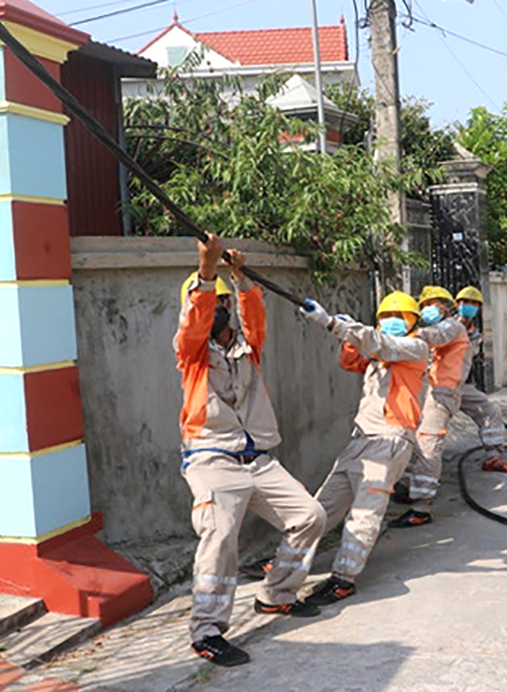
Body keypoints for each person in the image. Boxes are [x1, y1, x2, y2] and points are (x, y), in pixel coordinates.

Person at [176, 236, 326, 667]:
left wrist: (241, 280)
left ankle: (276, 593)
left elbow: (254, 319)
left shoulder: (247, 349)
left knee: (309, 517)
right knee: (220, 535)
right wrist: (206, 274)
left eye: (222, 301)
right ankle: (206, 630)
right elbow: (193, 323)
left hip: (258, 459)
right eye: (211, 302)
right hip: (211, 458)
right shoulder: (191, 354)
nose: (217, 307)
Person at [299, 291, 430, 604]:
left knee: (364, 514)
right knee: (321, 507)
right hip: (361, 439)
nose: (393, 322)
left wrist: (333, 323)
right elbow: (351, 360)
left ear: (413, 321)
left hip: (390, 440)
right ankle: (287, 560)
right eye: (386, 316)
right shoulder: (378, 354)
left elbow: (381, 343)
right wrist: (349, 338)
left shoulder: (415, 347)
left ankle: (344, 578)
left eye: (401, 317)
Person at [389, 286, 469, 528]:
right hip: (431, 392)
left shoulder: (452, 326)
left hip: (442, 393)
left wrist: (401, 329)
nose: (428, 309)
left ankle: (421, 508)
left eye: (433, 304)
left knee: (428, 444)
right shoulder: (441, 328)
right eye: (424, 305)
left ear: (445, 306)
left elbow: (432, 337)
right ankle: (412, 490)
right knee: (414, 442)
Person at [455, 286, 507, 474]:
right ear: (457, 304)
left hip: (461, 385)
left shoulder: (475, 333)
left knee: (490, 411)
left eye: (473, 304)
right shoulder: (446, 327)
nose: (468, 307)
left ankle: (493, 456)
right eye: (465, 302)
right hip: (437, 387)